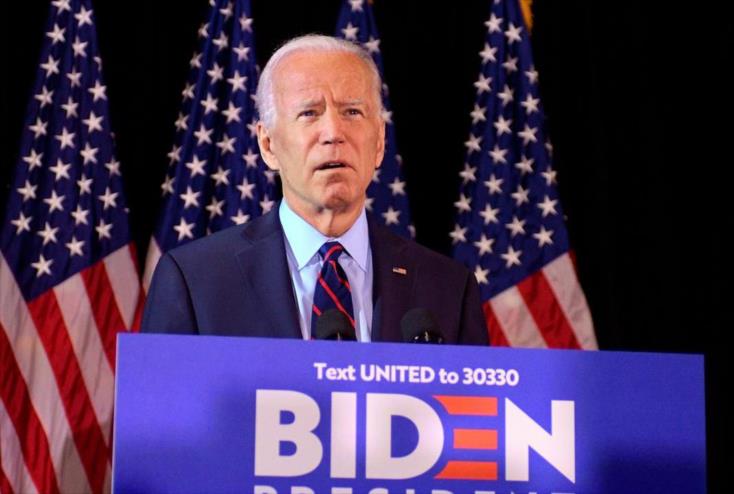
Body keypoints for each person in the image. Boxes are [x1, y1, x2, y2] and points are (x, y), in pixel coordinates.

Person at [141, 35, 488, 345]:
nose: (333, 132)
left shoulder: (448, 288)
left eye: (352, 111)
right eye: (309, 113)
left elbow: (474, 413)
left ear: (379, 142)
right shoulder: (195, 281)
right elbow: (162, 412)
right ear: (268, 145)